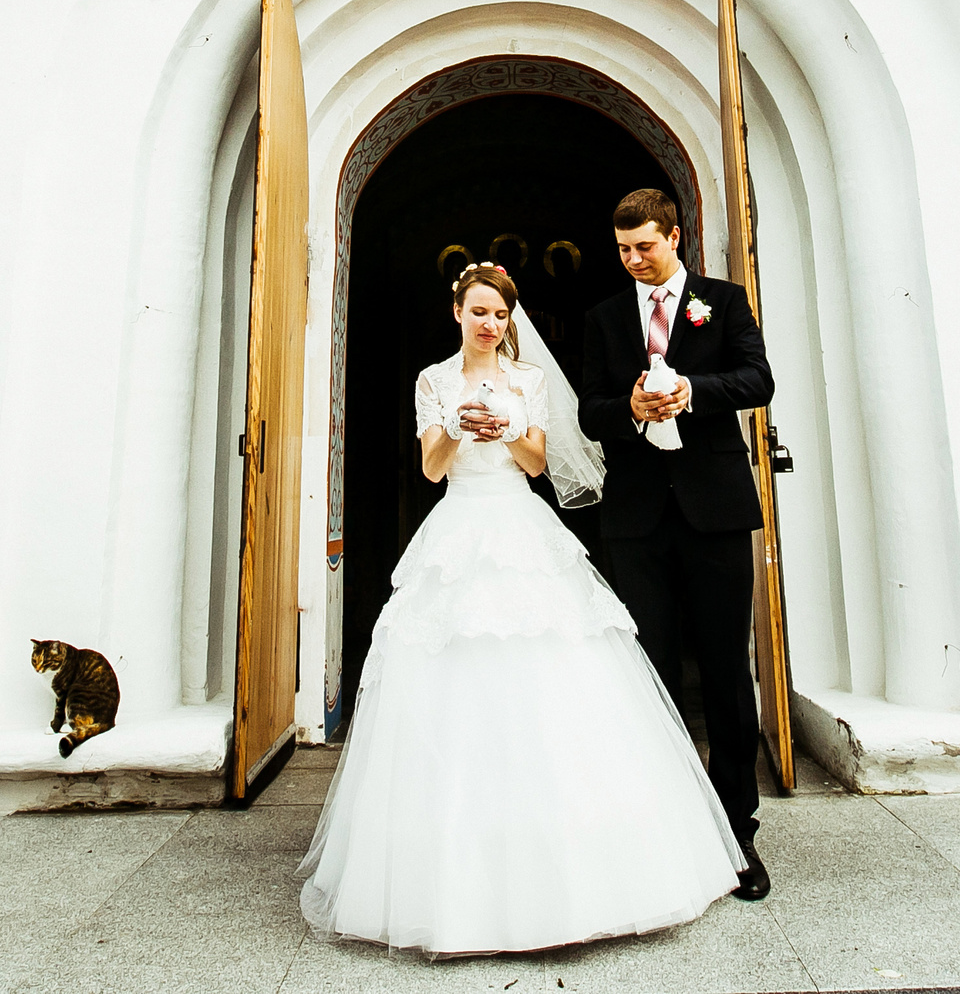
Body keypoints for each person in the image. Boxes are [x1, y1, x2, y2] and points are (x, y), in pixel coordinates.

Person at [299, 263, 740, 954]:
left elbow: (538, 464)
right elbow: (432, 468)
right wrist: (452, 423)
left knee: (551, 673)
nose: (490, 324)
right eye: (479, 312)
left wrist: (506, 426)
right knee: (456, 684)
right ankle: (456, 874)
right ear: (456, 311)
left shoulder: (530, 379)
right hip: (458, 529)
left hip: (520, 526)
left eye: (500, 314)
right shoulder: (432, 379)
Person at [580, 187, 776, 901]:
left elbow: (758, 379)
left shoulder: (721, 302)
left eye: (644, 246)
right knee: (651, 672)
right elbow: (589, 406)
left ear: (674, 236)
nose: (633, 259)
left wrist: (691, 390)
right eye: (623, 248)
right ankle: (659, 827)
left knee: (724, 673)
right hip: (636, 519)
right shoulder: (604, 316)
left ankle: (736, 833)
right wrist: (627, 407)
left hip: (715, 513)